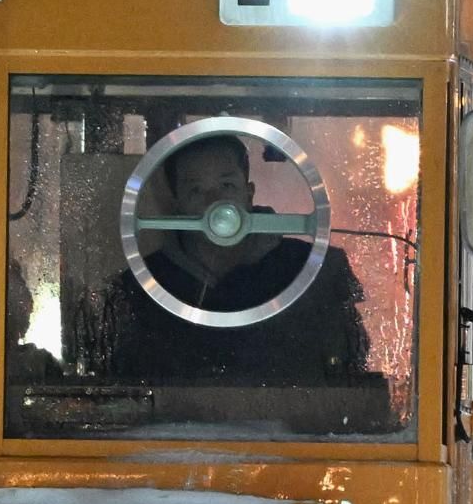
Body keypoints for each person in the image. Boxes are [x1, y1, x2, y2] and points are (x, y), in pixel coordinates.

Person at [99, 128, 374, 391]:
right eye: (196, 190)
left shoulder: (313, 269)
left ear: (249, 192)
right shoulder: (139, 288)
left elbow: (350, 369)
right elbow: (124, 381)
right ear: (177, 205)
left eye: (227, 184)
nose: (215, 202)